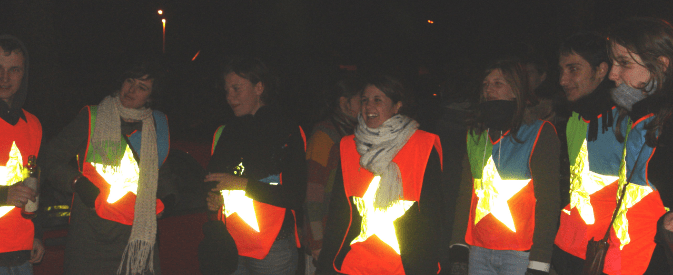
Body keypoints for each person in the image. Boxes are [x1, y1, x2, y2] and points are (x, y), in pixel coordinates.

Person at [43, 59, 170, 275]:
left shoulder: (157, 126)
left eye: (142, 87)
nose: (131, 90)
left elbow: (163, 173)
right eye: (129, 81)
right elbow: (48, 158)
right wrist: (77, 182)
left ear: (151, 96)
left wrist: (168, 197)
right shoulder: (92, 117)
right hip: (92, 241)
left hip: (137, 240)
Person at [316, 74, 443, 274]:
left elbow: (434, 216)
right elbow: (339, 213)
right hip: (354, 264)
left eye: (378, 100)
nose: (368, 106)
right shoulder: (348, 146)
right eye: (364, 100)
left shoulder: (423, 144)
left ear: (397, 106)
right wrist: (325, 263)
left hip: (405, 266)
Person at [451, 57, 560, 275]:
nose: (489, 89)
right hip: (478, 249)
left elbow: (548, 203)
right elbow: (466, 194)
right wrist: (458, 245)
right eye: (485, 85)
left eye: (497, 83)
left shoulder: (539, 132)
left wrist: (539, 262)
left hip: (520, 254)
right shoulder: (476, 136)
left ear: (515, 90)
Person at [205, 57, 307, 275]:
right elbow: (212, 179)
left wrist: (241, 184)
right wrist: (213, 198)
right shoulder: (226, 131)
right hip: (230, 244)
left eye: (236, 88)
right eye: (227, 91)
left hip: (272, 249)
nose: (229, 97)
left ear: (259, 87)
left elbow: (295, 195)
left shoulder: (286, 130)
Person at [602, 17, 673, 275]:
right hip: (625, 263)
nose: (611, 74)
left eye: (624, 63)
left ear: (661, 66)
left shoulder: (665, 127)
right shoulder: (640, 121)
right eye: (613, 63)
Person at [551, 31, 622, 275]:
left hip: (609, 254)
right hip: (568, 249)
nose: (563, 80)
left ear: (601, 70)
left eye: (573, 69)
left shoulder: (626, 121)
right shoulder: (575, 120)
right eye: (561, 71)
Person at [303, 76, 361, 274]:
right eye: (361, 100)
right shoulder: (324, 137)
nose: (366, 106)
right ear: (344, 103)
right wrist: (317, 243)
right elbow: (312, 195)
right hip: (323, 240)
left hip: (343, 237)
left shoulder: (355, 134)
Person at [0, 35, 45, 275]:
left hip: (21, 255)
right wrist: (4, 194)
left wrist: (36, 235)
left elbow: (36, 185)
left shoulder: (33, 125)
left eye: (13, 70)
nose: (4, 78)